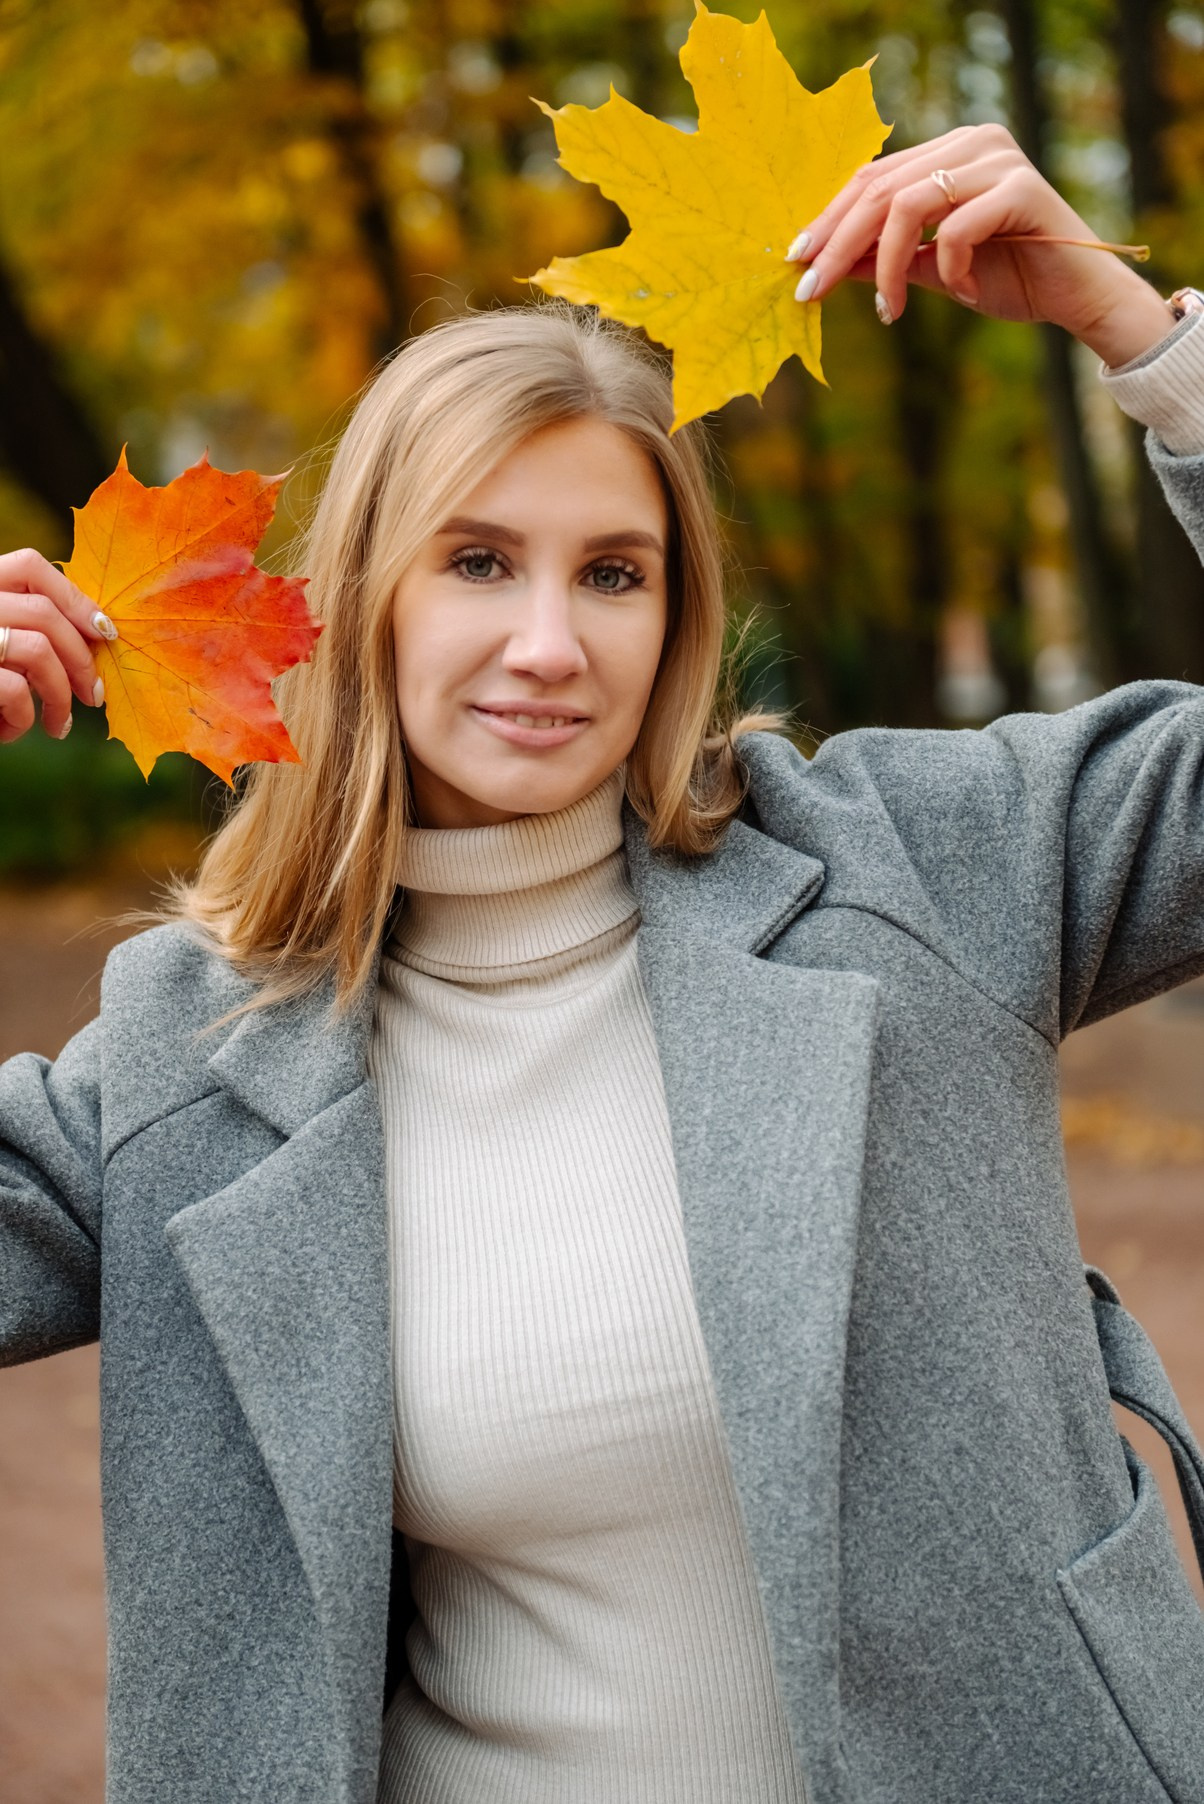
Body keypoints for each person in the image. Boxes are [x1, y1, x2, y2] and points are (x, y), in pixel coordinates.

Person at [2, 124, 1204, 1804]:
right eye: (479, 562)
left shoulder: (918, 869)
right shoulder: (195, 1062)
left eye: (614, 575)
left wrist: (1145, 341)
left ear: (677, 618)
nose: (551, 644)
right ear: (362, 605)